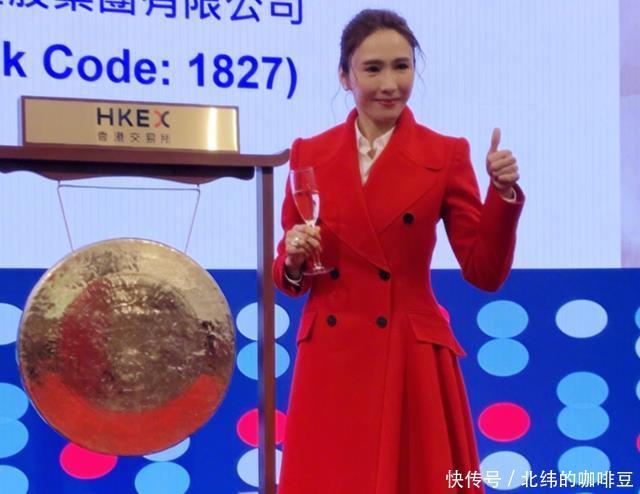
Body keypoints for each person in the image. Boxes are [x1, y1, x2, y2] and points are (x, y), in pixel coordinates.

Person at [272, 8, 523, 494]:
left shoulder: (445, 154)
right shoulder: (309, 153)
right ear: (344, 76)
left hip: (409, 353)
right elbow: (289, 275)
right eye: (373, 69)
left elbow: (484, 271)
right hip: (331, 356)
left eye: (401, 67)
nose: (390, 84)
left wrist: (502, 195)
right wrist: (295, 258)